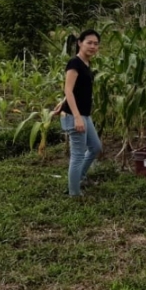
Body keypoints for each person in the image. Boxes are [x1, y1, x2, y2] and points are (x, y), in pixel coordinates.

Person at [55, 29, 102, 196]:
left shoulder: (86, 64)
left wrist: (61, 103)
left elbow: (75, 89)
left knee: (95, 147)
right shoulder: (74, 63)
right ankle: (74, 194)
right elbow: (68, 89)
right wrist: (76, 117)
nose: (93, 46)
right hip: (75, 116)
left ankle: (80, 177)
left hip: (83, 115)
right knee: (77, 156)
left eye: (96, 44)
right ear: (80, 43)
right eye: (89, 42)